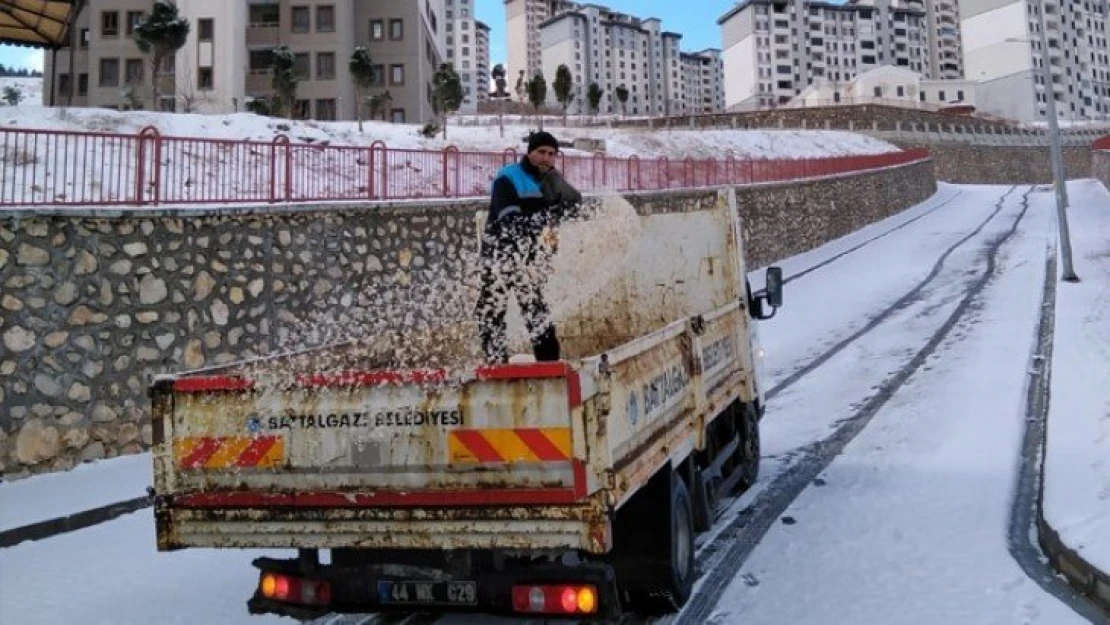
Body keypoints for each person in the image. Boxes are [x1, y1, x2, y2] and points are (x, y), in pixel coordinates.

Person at [476, 131, 583, 364]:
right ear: (529, 153)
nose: (546, 158)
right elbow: (510, 221)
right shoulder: (507, 178)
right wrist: (548, 214)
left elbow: (574, 207)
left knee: (538, 316)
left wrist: (564, 204)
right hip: (499, 256)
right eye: (541, 152)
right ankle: (496, 367)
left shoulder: (549, 179)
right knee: (492, 312)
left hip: (527, 260)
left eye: (552, 154)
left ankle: (549, 367)